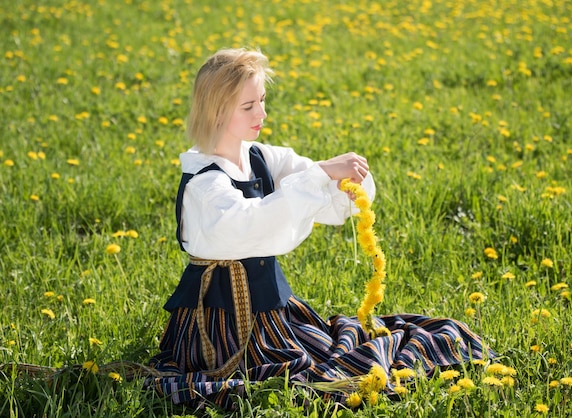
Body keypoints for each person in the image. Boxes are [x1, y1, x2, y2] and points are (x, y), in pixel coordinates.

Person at [146, 48, 495, 409]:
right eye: (248, 106)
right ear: (217, 109)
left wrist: (341, 181)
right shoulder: (205, 184)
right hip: (220, 324)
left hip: (271, 311)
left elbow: (304, 177)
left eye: (262, 100)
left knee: (332, 349)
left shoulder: (257, 156)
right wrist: (321, 174)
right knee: (298, 375)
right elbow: (255, 224)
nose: (261, 114)